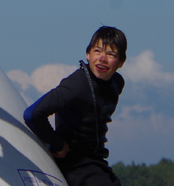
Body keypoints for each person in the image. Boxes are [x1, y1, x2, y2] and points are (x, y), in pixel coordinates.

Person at [23, 27, 128, 186]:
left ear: (121, 62)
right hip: (74, 162)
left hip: (97, 161)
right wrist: (58, 144)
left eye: (111, 54)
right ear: (88, 54)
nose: (102, 58)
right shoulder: (76, 86)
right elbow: (33, 114)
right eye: (97, 51)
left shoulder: (116, 83)